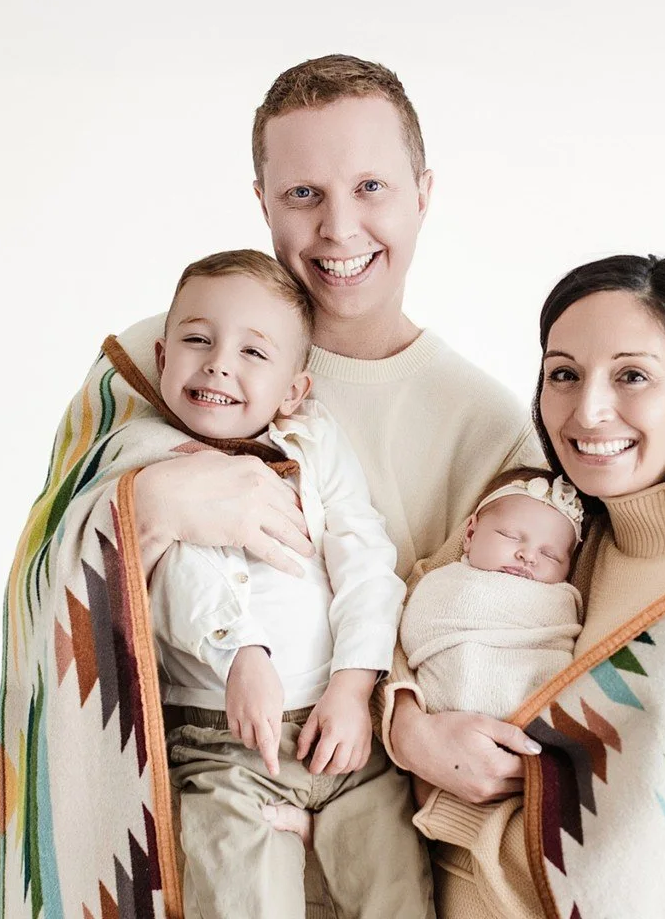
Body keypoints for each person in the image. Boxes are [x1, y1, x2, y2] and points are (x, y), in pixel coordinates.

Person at [0, 54, 541, 918]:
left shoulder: (489, 424)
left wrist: (387, 709)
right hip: (201, 841)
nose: (339, 228)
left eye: (370, 186)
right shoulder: (159, 361)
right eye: (303, 195)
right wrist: (148, 507)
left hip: (385, 847)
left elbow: (497, 641)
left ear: (423, 192)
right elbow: (40, 580)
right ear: (261, 200)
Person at [382, 255, 665, 918]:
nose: (589, 410)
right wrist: (407, 728)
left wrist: (457, 814)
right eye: (563, 375)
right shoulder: (565, 528)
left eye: (632, 376)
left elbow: (634, 876)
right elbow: (422, 597)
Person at [141, 248, 432, 918]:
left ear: (294, 390)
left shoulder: (313, 444)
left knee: (393, 887)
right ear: (162, 357)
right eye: (197, 340)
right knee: (238, 889)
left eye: (253, 352)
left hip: (339, 731)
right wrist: (242, 651)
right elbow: (177, 576)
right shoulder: (155, 457)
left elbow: (363, 558)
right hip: (220, 743)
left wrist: (354, 685)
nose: (218, 363)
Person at [398, 467, 583, 722]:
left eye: (550, 555)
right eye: (511, 537)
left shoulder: (558, 598)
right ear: (471, 534)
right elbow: (409, 633)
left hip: (537, 714)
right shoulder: (443, 581)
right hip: (445, 716)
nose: (528, 556)